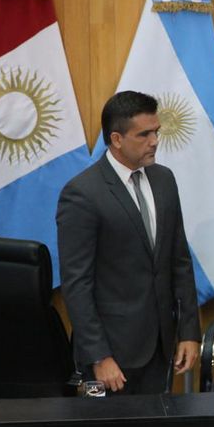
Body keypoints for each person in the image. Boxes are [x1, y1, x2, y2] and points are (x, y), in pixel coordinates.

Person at [57, 90, 201, 394]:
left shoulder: (164, 180)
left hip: (160, 347)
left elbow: (179, 260)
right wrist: (99, 356)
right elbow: (77, 283)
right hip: (111, 353)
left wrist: (189, 332)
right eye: (144, 134)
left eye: (156, 132)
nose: (155, 141)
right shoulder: (83, 193)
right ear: (116, 139)